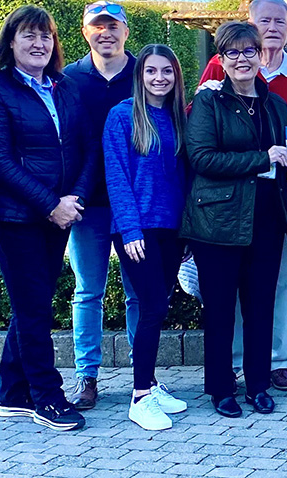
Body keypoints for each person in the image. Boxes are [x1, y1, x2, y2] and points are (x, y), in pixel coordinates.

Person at [0, 5, 95, 431]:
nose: (39, 43)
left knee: (33, 304)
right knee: (34, 310)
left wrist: (75, 198)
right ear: (10, 42)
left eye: (46, 36)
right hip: (19, 217)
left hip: (60, 214)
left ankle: (12, 394)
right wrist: (50, 203)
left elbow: (86, 147)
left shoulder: (64, 87)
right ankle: (47, 397)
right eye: (28, 35)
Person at [198, 0, 287, 392]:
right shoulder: (215, 78)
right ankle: (232, 368)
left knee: (280, 284)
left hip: (278, 202)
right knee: (230, 293)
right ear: (250, 24)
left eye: (280, 21)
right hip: (229, 204)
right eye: (263, 20)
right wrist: (260, 158)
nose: (272, 28)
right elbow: (202, 141)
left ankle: (277, 361)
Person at [184, 21, 287, 418]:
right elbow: (201, 158)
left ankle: (258, 384)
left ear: (260, 54)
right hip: (218, 221)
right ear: (221, 58)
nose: (242, 59)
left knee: (260, 305)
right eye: (232, 52)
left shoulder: (275, 105)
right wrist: (261, 159)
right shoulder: (208, 102)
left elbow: (285, 160)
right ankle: (220, 389)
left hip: (266, 218)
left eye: (249, 51)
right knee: (219, 308)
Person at [102, 44, 189, 430]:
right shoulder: (121, 117)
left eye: (167, 71)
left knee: (160, 303)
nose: (159, 78)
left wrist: (188, 230)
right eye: (151, 71)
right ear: (140, 76)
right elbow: (116, 176)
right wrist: (130, 228)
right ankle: (139, 398)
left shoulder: (178, 119)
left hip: (172, 228)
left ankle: (151, 383)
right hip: (137, 229)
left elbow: (185, 178)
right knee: (151, 305)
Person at [62, 0, 140, 410]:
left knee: (137, 292)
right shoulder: (69, 78)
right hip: (87, 204)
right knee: (88, 291)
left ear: (126, 31)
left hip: (135, 203)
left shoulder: (143, 75)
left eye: (113, 25)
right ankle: (86, 377)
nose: (105, 32)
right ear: (85, 31)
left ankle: (142, 373)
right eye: (98, 26)